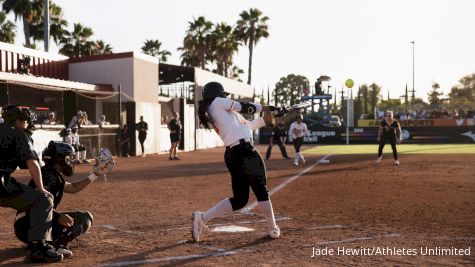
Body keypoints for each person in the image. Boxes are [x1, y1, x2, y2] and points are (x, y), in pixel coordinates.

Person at [192, 81, 287, 242]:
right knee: (261, 190)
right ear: (218, 94)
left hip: (232, 154)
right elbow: (244, 106)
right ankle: (272, 228)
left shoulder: (222, 113)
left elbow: (250, 125)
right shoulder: (218, 102)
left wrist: (274, 115)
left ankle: (203, 217)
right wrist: (270, 107)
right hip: (245, 151)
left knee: (240, 200)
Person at [0, 105, 63, 263]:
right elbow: (32, 163)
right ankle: (38, 247)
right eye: (26, 121)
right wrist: (41, 188)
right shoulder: (18, 133)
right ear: (18, 121)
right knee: (43, 200)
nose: (28, 124)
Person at [14, 141, 96, 258]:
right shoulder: (49, 177)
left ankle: (45, 242)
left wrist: (95, 174)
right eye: (67, 157)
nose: (70, 161)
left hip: (27, 224)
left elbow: (73, 188)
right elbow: (34, 204)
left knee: (82, 218)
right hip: (27, 224)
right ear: (58, 159)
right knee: (82, 219)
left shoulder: (51, 174)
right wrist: (58, 216)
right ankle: (55, 245)